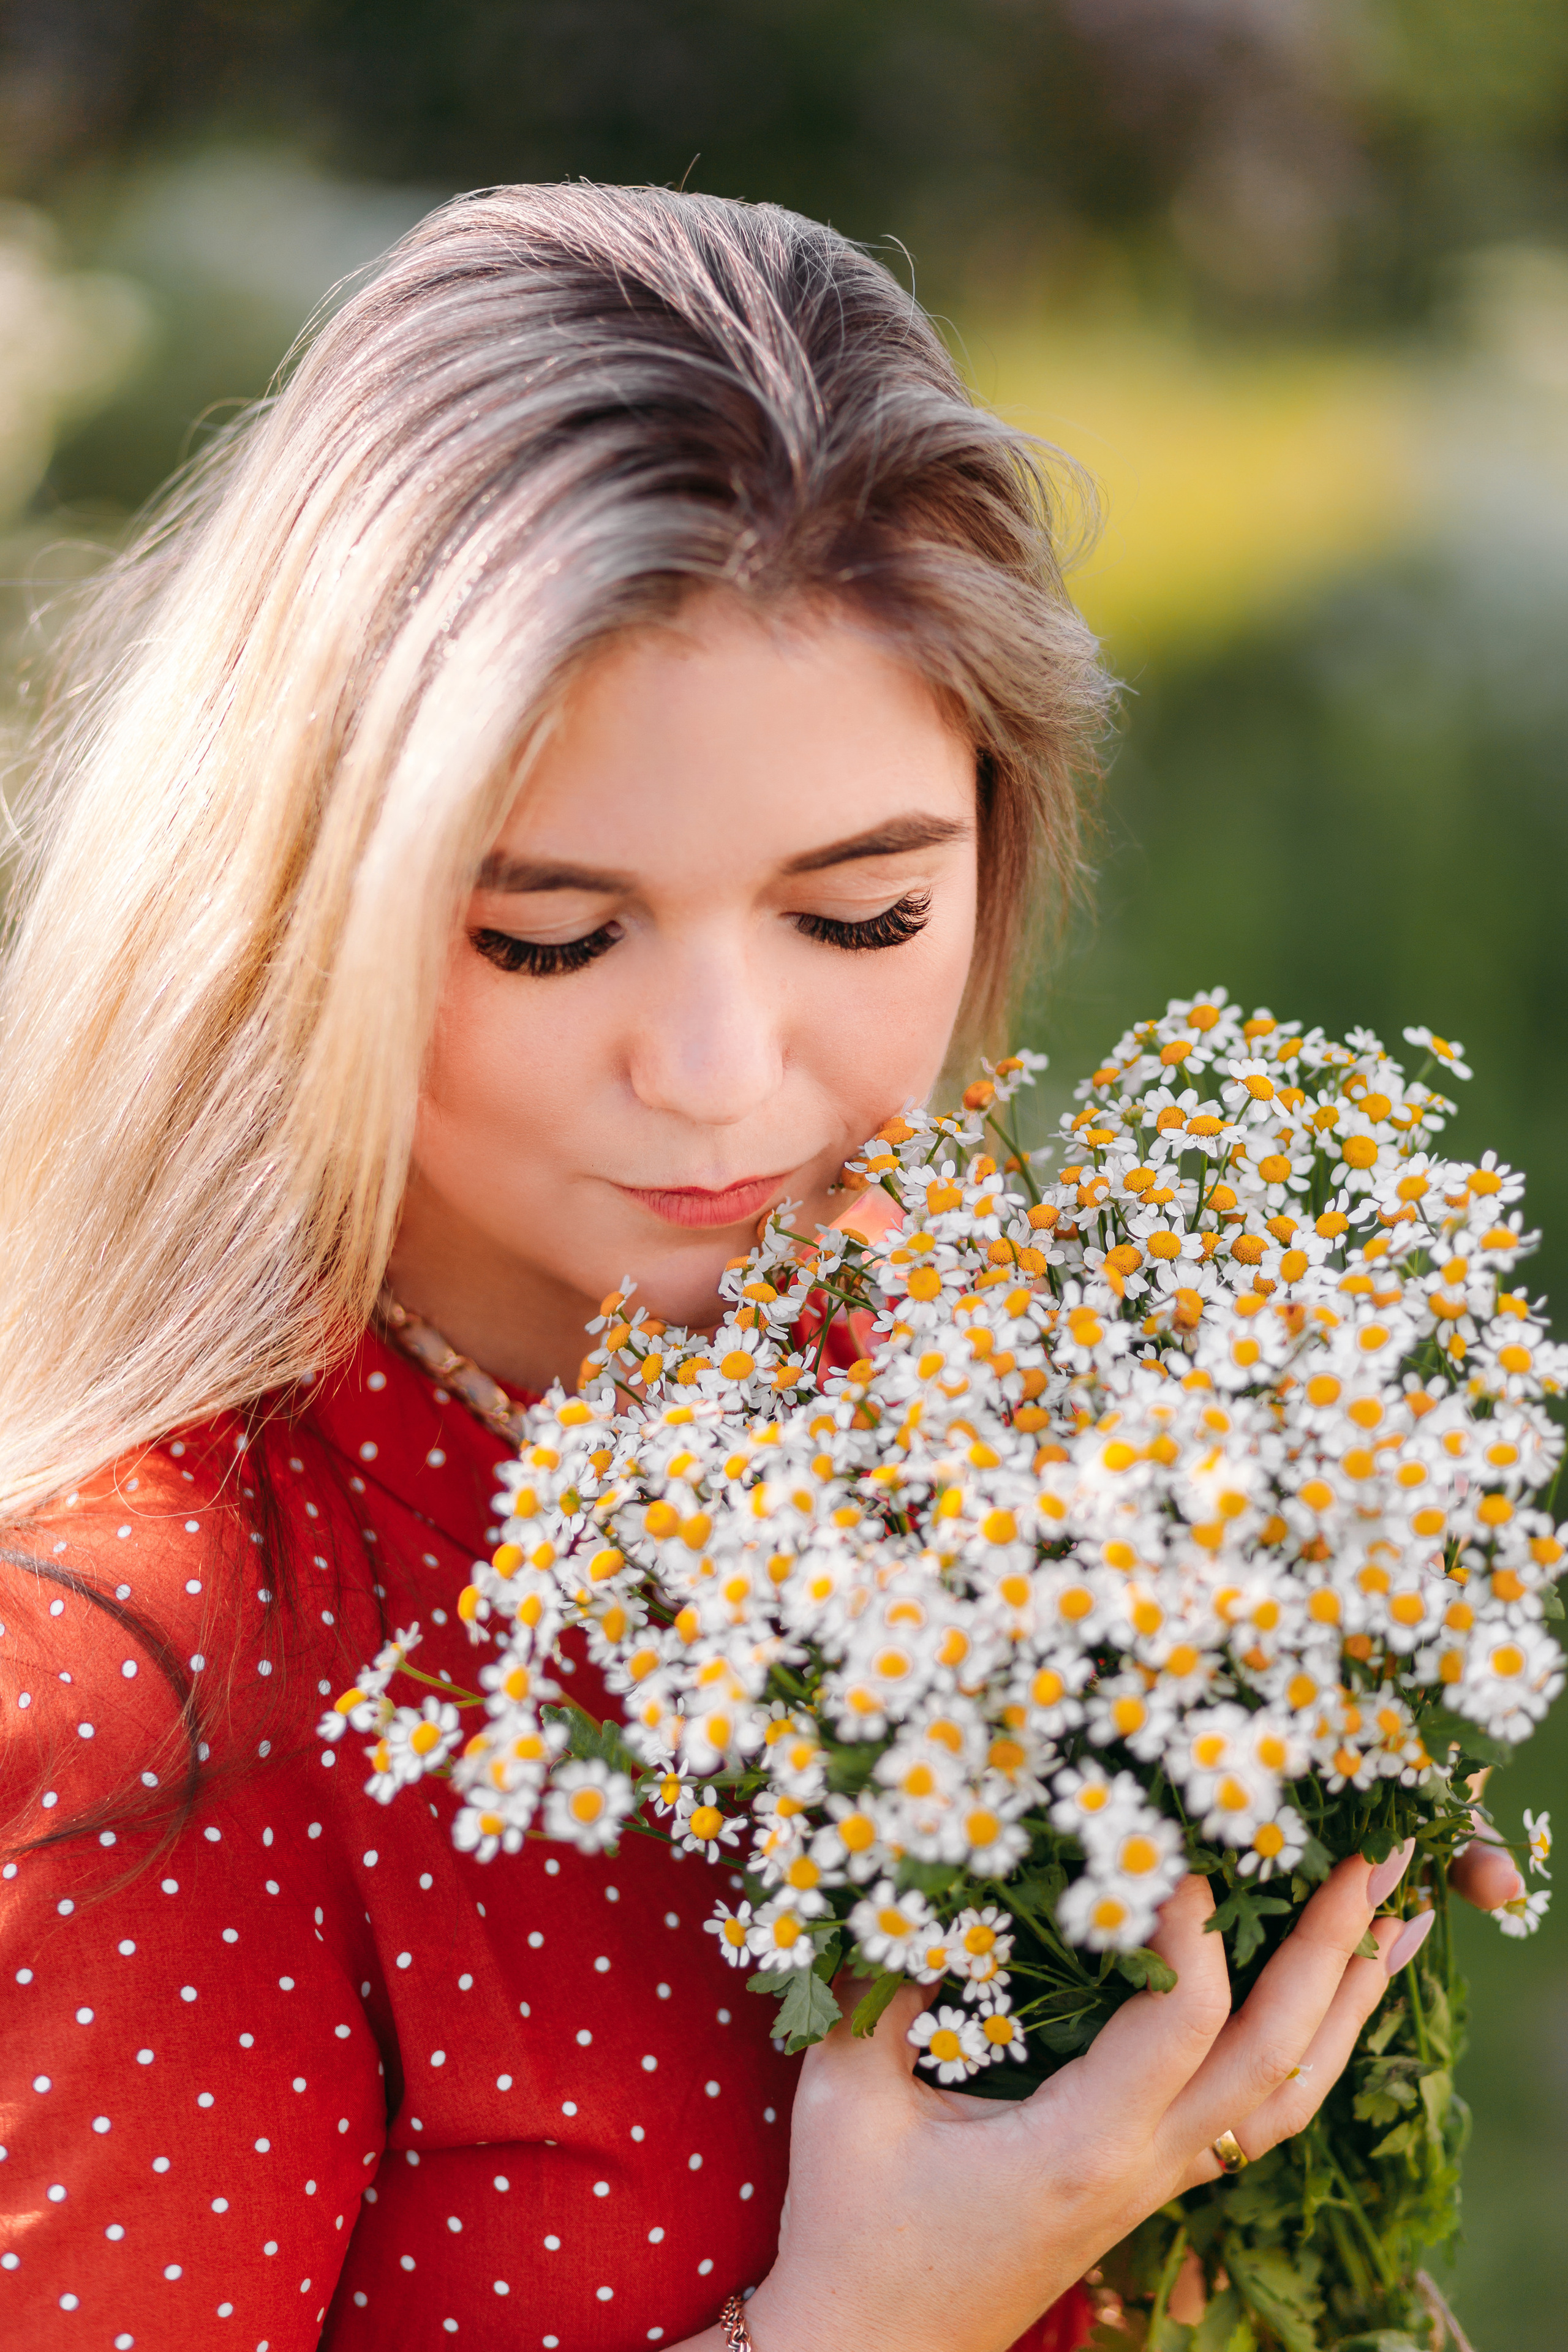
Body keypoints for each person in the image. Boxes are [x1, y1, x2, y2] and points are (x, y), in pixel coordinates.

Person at [0, 184, 1523, 2352]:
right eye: (547, 932)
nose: (723, 1082)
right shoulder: (149, 1692)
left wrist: (1309, 1759)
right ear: (297, 899)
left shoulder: (1055, 1441)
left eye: (859, 918)